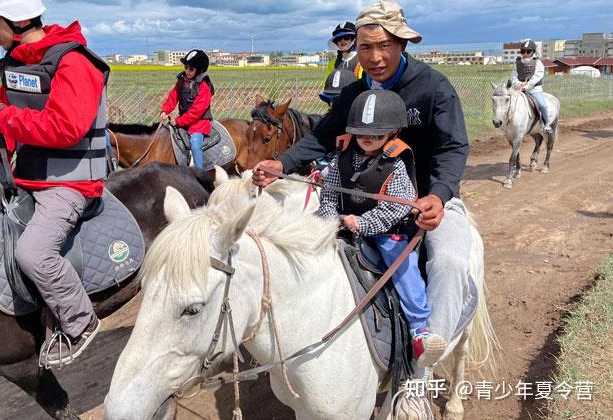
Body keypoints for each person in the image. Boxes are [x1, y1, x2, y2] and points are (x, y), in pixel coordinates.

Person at [254, 1, 472, 364]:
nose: (375, 57)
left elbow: (453, 147)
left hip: (427, 203)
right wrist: (282, 161)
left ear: (402, 43)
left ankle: (429, 351)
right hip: (362, 202)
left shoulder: (433, 88)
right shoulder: (354, 94)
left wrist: (439, 195)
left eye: (383, 45)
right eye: (365, 47)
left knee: (449, 261)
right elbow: (323, 136)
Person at [0, 0, 109, 367]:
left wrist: (0, 116)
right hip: (27, 177)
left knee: (33, 253)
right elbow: (4, 124)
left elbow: (66, 128)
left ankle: (80, 320)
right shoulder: (16, 64)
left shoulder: (74, 62)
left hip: (70, 184)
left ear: (20, 19)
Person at [318, 89, 447, 367]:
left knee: (402, 265)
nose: (368, 139)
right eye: (362, 133)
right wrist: (329, 218)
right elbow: (328, 193)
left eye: (376, 135)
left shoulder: (397, 162)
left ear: (393, 133)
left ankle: (419, 328)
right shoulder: (341, 156)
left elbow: (397, 207)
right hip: (342, 223)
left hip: (385, 231)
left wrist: (362, 223)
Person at [159, 49, 214, 169]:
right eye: (186, 67)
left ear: (198, 70)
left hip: (199, 124)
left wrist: (179, 121)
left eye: (191, 69)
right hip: (184, 122)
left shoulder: (204, 86)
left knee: (195, 144)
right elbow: (172, 98)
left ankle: (199, 173)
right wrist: (165, 111)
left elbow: (197, 111)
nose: (187, 71)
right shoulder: (181, 82)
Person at [511, 39, 552, 133]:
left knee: (542, 105)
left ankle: (547, 124)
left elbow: (536, 77)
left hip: (534, 90)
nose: (525, 54)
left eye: (528, 51)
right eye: (522, 52)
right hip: (519, 89)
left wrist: (526, 86)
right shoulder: (517, 63)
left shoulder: (538, 63)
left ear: (533, 52)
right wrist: (520, 84)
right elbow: (513, 77)